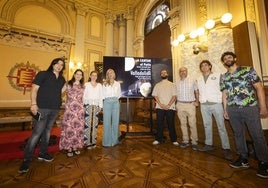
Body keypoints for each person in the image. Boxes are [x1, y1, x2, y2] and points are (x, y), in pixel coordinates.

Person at [220, 51, 268, 178]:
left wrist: (263, 106)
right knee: (238, 134)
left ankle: (264, 162)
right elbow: (224, 94)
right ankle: (243, 158)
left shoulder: (248, 70)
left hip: (250, 108)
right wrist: (225, 110)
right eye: (225, 58)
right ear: (223, 62)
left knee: (257, 135)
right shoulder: (223, 76)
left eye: (229, 57)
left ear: (235, 58)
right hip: (232, 109)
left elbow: (259, 87)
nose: (227, 59)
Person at [18, 57, 66, 173]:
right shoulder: (43, 74)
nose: (59, 66)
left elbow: (59, 92)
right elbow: (34, 89)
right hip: (41, 108)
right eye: (57, 63)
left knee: (47, 132)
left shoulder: (61, 79)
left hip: (54, 109)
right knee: (36, 133)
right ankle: (26, 159)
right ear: (53, 64)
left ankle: (43, 153)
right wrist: (33, 104)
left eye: (62, 65)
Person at [196, 60, 231, 159]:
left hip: (216, 104)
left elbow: (225, 89)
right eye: (202, 66)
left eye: (206, 65)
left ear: (210, 66)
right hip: (204, 105)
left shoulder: (218, 75)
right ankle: (208, 145)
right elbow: (197, 91)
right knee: (207, 125)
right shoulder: (198, 79)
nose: (204, 67)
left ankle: (226, 148)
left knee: (221, 126)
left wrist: (226, 105)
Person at [59, 69, 85, 157]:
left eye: (80, 74)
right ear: (74, 75)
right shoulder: (68, 83)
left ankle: (75, 147)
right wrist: (61, 102)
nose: (78, 76)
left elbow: (83, 98)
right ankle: (69, 148)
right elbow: (59, 92)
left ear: (82, 76)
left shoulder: (82, 86)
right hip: (70, 110)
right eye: (77, 74)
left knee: (77, 129)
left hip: (79, 111)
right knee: (69, 128)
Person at [152, 69, 179, 146]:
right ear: (161, 75)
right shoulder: (157, 85)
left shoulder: (172, 84)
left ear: (167, 74)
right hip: (160, 107)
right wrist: (160, 104)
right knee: (159, 124)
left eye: (165, 72)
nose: (163, 74)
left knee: (171, 124)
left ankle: (174, 139)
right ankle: (158, 139)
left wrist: (168, 105)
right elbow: (155, 95)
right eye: (162, 73)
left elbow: (174, 96)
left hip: (170, 107)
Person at [175, 67, 199, 150]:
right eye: (181, 71)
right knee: (183, 124)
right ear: (179, 73)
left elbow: (196, 91)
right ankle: (185, 141)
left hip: (190, 104)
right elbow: (175, 94)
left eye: (184, 71)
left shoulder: (193, 80)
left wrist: (197, 101)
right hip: (180, 104)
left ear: (187, 72)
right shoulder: (176, 82)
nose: (182, 72)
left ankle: (194, 142)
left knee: (192, 124)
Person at [83, 71, 103, 149]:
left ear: (97, 77)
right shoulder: (86, 84)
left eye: (95, 75)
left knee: (94, 124)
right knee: (87, 124)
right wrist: (84, 105)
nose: (94, 77)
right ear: (90, 76)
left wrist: (100, 106)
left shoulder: (99, 85)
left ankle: (93, 141)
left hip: (96, 106)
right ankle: (87, 142)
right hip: (88, 105)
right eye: (93, 75)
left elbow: (101, 96)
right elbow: (84, 96)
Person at [102, 69, 121, 147]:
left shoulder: (118, 84)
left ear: (114, 74)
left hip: (116, 102)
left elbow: (119, 94)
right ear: (107, 75)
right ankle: (107, 142)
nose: (110, 74)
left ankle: (114, 141)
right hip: (107, 102)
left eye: (112, 72)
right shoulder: (104, 84)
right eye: (108, 73)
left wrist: (115, 100)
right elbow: (102, 95)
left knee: (115, 122)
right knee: (107, 122)